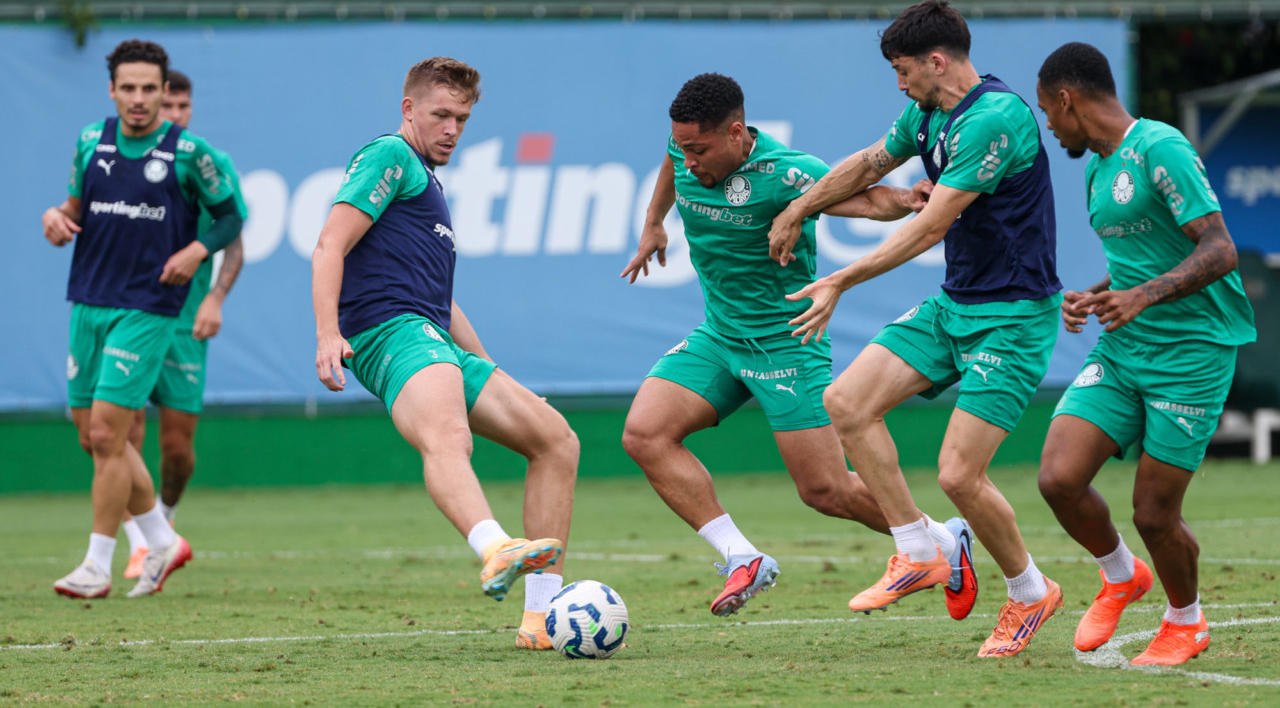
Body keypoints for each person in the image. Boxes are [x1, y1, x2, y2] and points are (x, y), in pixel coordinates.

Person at [768, 0, 1064, 657]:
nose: (899, 85)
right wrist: (800, 207)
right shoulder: (927, 113)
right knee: (847, 402)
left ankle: (1029, 591)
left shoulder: (993, 119)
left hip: (1013, 319)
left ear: (936, 61)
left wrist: (841, 279)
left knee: (959, 476)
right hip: (955, 305)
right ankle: (919, 550)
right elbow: (869, 164)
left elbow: (931, 226)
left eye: (903, 71)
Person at [620, 73, 975, 619]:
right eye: (682, 147)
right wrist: (653, 223)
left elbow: (866, 200)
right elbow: (670, 165)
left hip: (787, 343)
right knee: (645, 434)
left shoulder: (788, 172)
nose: (688, 162)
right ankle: (743, 557)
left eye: (699, 150)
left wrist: (907, 199)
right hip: (721, 336)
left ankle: (945, 542)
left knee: (827, 492)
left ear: (735, 132)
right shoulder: (682, 148)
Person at [311, 57, 578, 650]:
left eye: (462, 118)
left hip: (430, 333)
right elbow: (329, 244)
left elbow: (441, 300)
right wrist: (328, 333)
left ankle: (539, 618)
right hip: (389, 331)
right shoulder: (389, 155)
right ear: (409, 109)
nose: (452, 129)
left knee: (556, 440)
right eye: (441, 115)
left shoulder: (427, 182)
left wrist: (488, 367)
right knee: (449, 437)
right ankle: (494, 547)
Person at [1034, 42, 1256, 666]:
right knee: (1058, 478)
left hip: (1192, 353)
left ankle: (1186, 622)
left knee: (1155, 514)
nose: (1049, 126)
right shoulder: (1096, 168)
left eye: (1047, 111)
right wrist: (1099, 294)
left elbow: (1219, 249)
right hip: (1124, 348)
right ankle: (1120, 573)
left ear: (1067, 99)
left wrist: (1143, 296)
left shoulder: (1160, 147)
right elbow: (1142, 262)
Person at [42, 39, 244, 598]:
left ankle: (96, 565)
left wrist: (197, 251)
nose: (138, 98)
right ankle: (160, 537)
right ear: (112, 90)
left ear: (163, 91)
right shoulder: (91, 141)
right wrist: (55, 218)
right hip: (89, 301)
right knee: (92, 436)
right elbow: (74, 209)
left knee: (110, 432)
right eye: (127, 88)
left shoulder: (190, 153)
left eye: (149, 89)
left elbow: (231, 219)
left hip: (150, 306)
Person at [119, 69, 250, 580]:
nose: (173, 114)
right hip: (126, 312)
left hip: (183, 321)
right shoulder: (117, 156)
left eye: (182, 106)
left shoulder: (208, 162)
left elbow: (233, 240)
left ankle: (164, 521)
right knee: (121, 433)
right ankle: (142, 543)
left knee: (177, 451)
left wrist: (215, 297)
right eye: (166, 104)